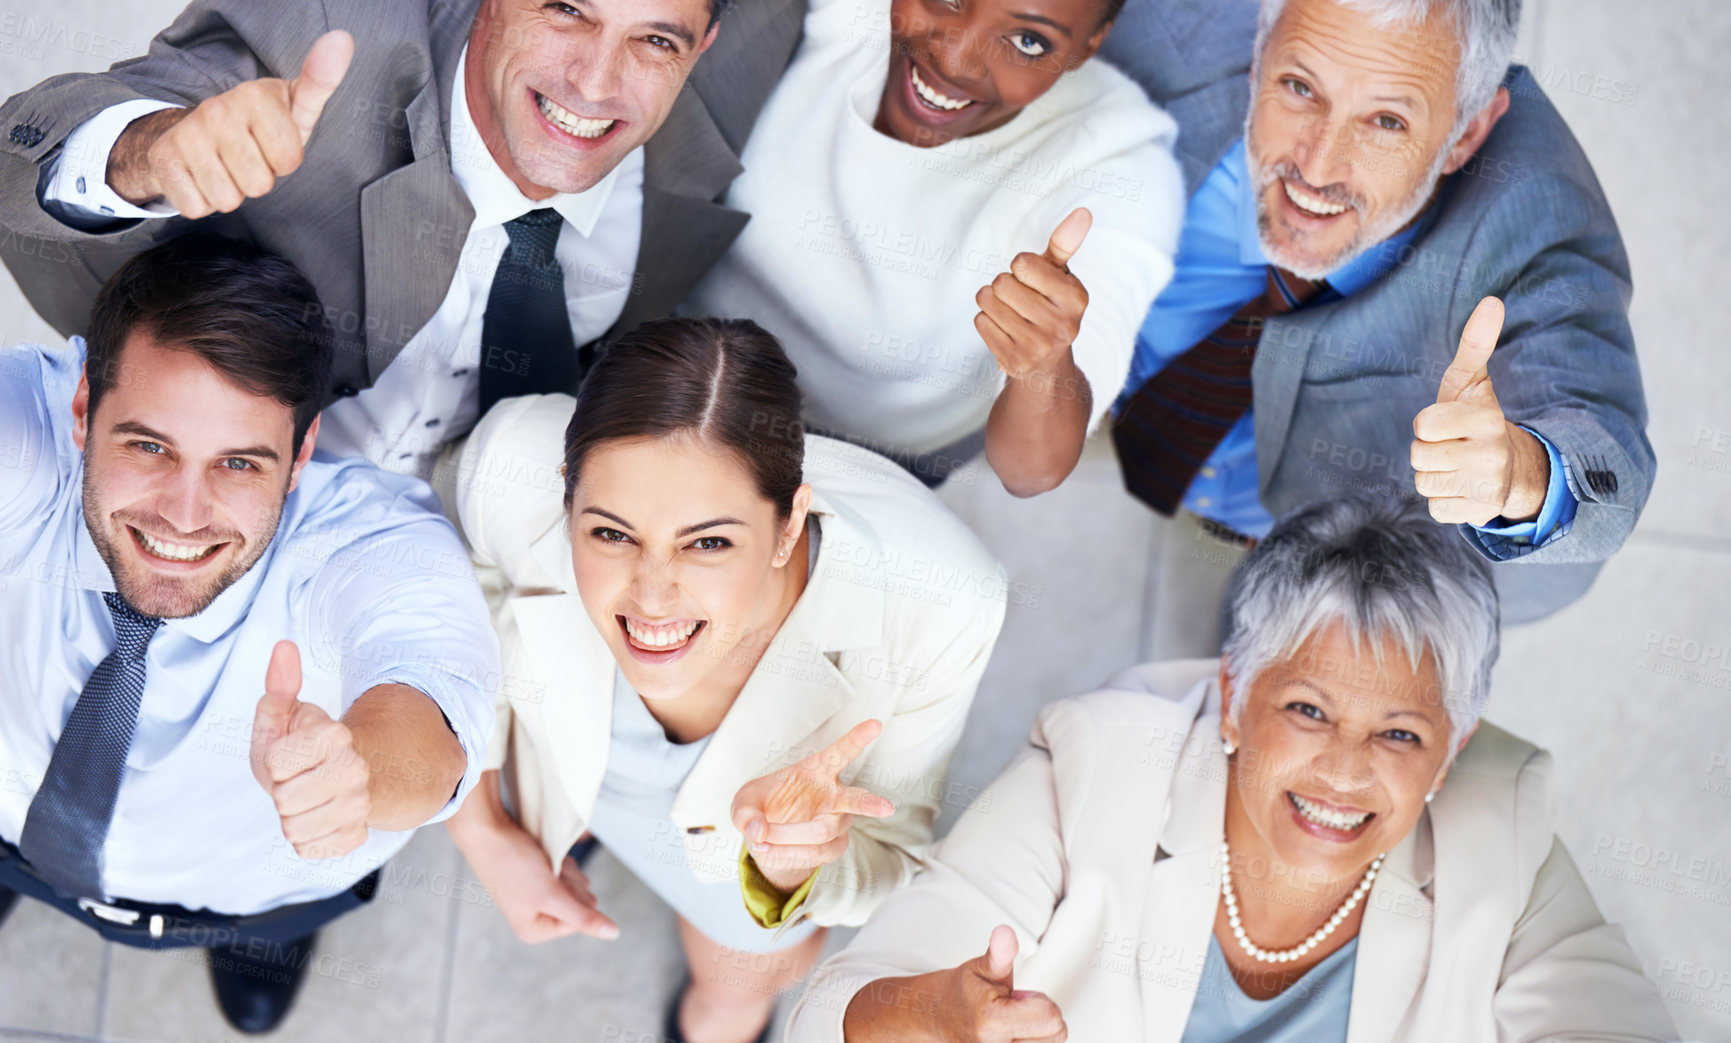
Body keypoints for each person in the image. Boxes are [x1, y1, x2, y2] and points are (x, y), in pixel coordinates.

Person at [787, 494, 1677, 1043]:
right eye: (1307, 709)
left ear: (1454, 745)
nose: (1343, 770)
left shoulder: (1502, 832)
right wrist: (927, 1017)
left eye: (1399, 734)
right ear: (1234, 691)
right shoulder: (1094, 767)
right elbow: (824, 1016)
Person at [0, 0, 804, 477]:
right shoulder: (317, 38)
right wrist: (150, 148)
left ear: (702, 46)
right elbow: (16, 150)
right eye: (566, 11)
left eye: (655, 41)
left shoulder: (756, 30)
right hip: (252, 502)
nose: (594, 83)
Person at [1101, 0, 1652, 654]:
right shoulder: (1170, 12)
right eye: (1298, 87)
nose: (1316, 168)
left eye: (1385, 122)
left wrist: (1517, 473)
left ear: (1465, 134)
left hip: (1367, 518)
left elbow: (1606, 460)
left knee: (1299, 634)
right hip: (1168, 397)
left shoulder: (1531, 220)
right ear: (1261, 45)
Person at [438, 317, 1007, 1043]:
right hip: (563, 747)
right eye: (610, 533)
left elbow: (892, 854)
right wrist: (481, 822)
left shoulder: (946, 604)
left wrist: (784, 867)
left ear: (789, 526)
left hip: (740, 858)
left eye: (707, 543)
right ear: (565, 493)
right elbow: (447, 573)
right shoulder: (509, 459)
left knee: (745, 973)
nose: (651, 597)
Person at [0, 236, 499, 1034]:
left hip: (254, 893)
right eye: (149, 445)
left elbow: (435, 705)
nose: (184, 515)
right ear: (84, 409)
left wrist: (357, 774)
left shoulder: (365, 543)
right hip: (11, 815)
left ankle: (257, 940)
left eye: (238, 464)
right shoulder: (29, 440)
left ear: (300, 455)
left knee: (268, 939)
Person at [683, 0, 1184, 495]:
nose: (954, 59)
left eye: (1028, 41)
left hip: (872, 461)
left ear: (1088, 44)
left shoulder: (1121, 166)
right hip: (681, 364)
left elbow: (1033, 469)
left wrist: (1042, 366)